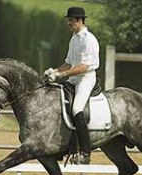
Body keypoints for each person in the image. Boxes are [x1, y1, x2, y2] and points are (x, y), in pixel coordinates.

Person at [44, 7, 100, 164]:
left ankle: (85, 153)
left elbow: (83, 67)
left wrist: (62, 75)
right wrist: (54, 71)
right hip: (73, 79)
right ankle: (61, 146)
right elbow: (68, 63)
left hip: (86, 79)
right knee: (59, 103)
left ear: (79, 20)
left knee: (76, 109)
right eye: (68, 20)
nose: (68, 23)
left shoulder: (89, 40)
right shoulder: (74, 38)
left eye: (70, 20)